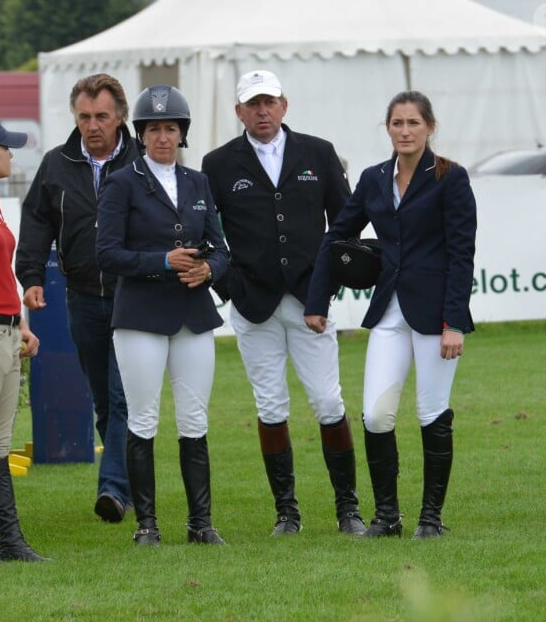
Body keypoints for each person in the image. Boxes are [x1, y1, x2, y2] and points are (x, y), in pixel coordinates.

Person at [305, 90, 477, 539]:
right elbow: (337, 236)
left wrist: (454, 321)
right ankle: (388, 517)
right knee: (376, 415)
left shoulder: (450, 178)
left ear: (430, 127)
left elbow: (462, 253)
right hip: (388, 311)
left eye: (413, 123)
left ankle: (431, 519)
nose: (405, 131)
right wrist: (317, 301)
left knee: (431, 411)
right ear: (388, 129)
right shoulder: (373, 178)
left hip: (437, 314)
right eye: (397, 123)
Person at [201, 70, 366, 536]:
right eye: (252, 104)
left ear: (284, 105)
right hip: (252, 303)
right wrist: (228, 284)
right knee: (270, 406)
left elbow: (345, 225)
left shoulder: (318, 152)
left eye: (269, 101)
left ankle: (348, 509)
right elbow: (206, 233)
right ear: (238, 112)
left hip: (310, 301)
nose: (262, 111)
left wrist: (325, 288)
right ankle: (287, 513)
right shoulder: (218, 164)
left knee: (328, 401)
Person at [96, 85, 229, 546]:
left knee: (195, 419)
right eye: (153, 129)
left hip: (193, 313)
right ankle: (147, 524)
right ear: (141, 134)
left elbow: (222, 248)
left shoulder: (198, 183)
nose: (162, 137)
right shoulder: (121, 184)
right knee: (143, 418)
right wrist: (161, 262)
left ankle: (201, 523)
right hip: (141, 316)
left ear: (182, 133)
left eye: (170, 128)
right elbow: (107, 253)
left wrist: (210, 268)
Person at [15, 73, 137, 523]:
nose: (92, 126)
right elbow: (35, 224)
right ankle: (131, 482)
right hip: (82, 297)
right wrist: (30, 277)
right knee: (104, 401)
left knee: (122, 399)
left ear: (120, 116)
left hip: (133, 297)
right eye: (84, 117)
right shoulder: (56, 164)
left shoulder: (142, 160)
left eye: (102, 116)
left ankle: (112, 489)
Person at [0, 121, 49, 561]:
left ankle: (11, 543)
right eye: (6, 149)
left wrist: (21, 323)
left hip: (7, 331)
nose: (11, 156)